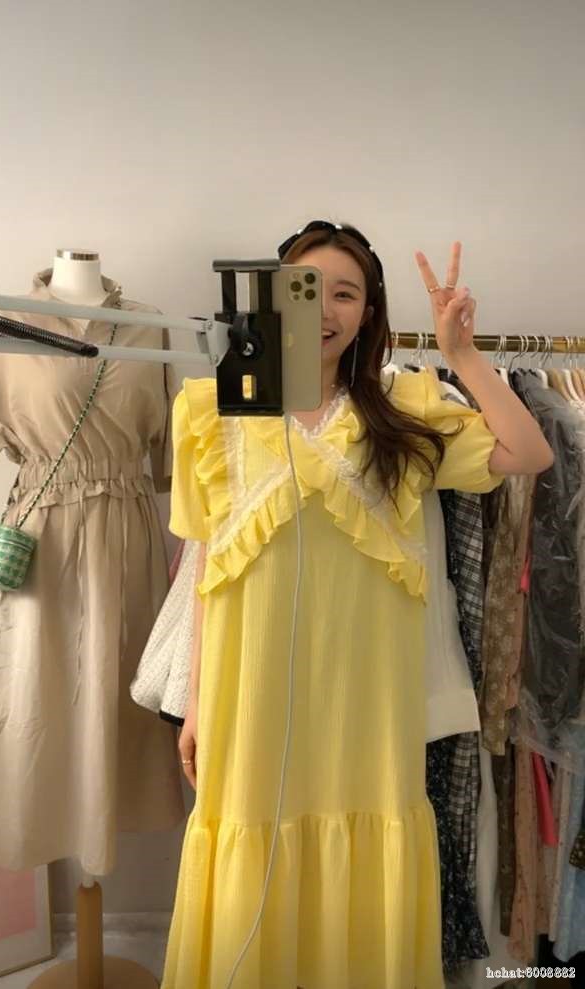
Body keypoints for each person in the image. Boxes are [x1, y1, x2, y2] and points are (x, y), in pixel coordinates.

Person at [161, 221, 553, 989]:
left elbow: (529, 453)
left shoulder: (405, 408)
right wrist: (199, 700)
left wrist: (462, 354)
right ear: (274, 299)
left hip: (364, 713)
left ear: (368, 312)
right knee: (250, 864)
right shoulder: (210, 411)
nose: (325, 309)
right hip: (253, 703)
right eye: (306, 289)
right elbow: (209, 564)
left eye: (346, 293)